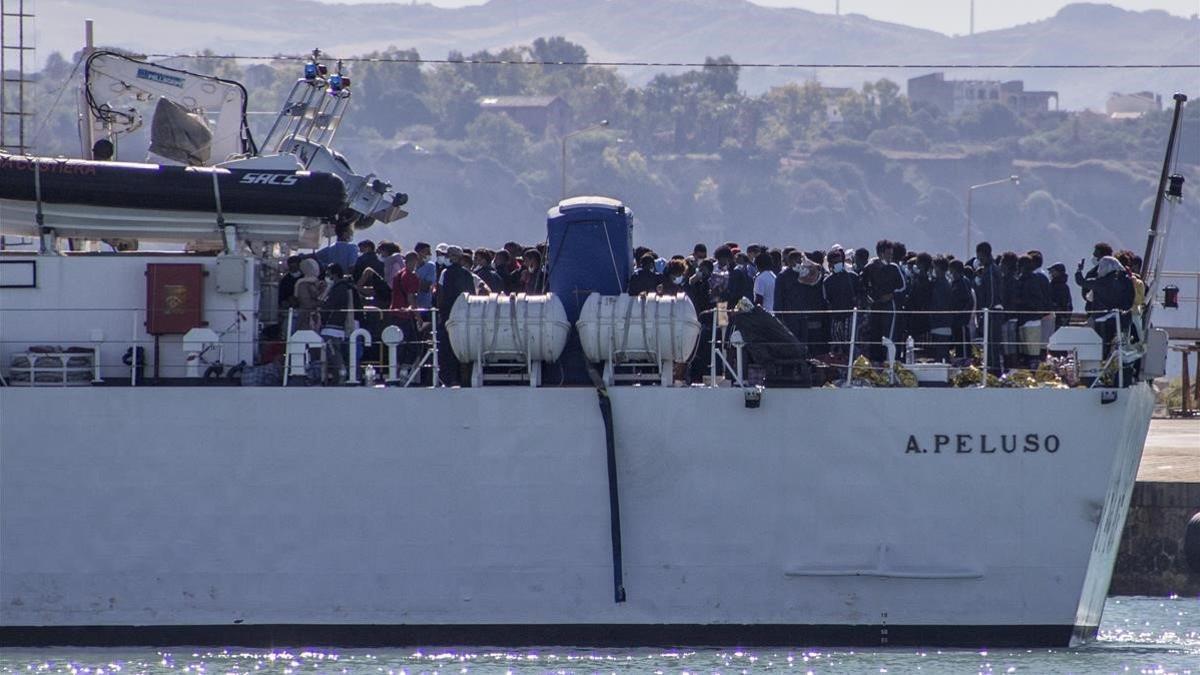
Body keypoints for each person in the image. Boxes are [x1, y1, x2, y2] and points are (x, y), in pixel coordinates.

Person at [861, 240, 905, 361]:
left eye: (891, 254)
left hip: (890, 307)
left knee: (889, 336)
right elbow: (863, 286)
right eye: (888, 254)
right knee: (875, 334)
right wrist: (869, 298)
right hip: (875, 307)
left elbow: (903, 287)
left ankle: (889, 362)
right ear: (880, 253)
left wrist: (892, 295)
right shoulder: (870, 267)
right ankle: (876, 362)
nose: (890, 257)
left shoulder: (894, 268)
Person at [436, 246, 475, 386]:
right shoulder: (467, 274)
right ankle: (463, 378)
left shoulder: (445, 273)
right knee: (463, 348)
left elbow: (440, 295)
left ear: (454, 257)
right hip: (464, 317)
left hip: (448, 316)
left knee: (447, 348)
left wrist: (441, 313)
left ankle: (447, 378)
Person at [319, 263, 362, 384]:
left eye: (328, 274)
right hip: (347, 326)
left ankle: (341, 376)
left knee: (334, 353)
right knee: (349, 353)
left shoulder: (338, 288)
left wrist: (322, 314)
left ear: (334, 274)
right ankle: (350, 376)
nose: (327, 277)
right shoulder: (349, 287)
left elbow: (329, 306)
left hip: (333, 327)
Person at [822, 246, 861, 357]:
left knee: (852, 344)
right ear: (830, 264)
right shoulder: (828, 281)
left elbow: (859, 295)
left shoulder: (852, 277)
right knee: (837, 346)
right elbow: (827, 300)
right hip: (836, 318)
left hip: (851, 316)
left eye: (840, 261)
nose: (838, 264)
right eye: (835, 262)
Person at [773, 250, 810, 348]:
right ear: (791, 261)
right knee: (791, 345)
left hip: (802, 316)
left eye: (800, 261)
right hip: (788, 317)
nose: (800, 264)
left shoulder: (803, 274)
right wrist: (779, 318)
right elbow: (778, 299)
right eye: (797, 261)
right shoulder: (782, 276)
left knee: (803, 344)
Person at [293, 257, 324, 331]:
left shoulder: (316, 283)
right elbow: (306, 303)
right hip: (305, 317)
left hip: (315, 316)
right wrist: (321, 303)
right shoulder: (302, 284)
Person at [413, 242, 437, 316]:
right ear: (419, 253)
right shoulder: (409, 265)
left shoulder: (430, 266)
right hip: (412, 307)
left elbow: (426, 287)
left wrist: (412, 280)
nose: (430, 255)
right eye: (427, 252)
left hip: (425, 306)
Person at [1048, 262, 1074, 327]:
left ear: (1058, 272)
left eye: (1052, 271)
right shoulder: (1054, 285)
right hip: (1054, 318)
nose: (1050, 273)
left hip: (1058, 320)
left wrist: (1064, 317)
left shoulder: (1061, 287)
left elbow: (1067, 305)